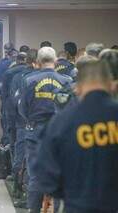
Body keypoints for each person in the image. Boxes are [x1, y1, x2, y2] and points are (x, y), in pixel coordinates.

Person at [34, 56, 118, 213]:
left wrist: (70, 195)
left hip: (77, 206)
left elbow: (45, 176)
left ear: (77, 88)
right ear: (111, 85)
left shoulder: (61, 122)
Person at [19, 47, 72, 213]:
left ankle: (33, 210)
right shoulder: (67, 81)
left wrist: (32, 119)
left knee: (35, 175)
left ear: (38, 62)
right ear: (55, 61)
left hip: (35, 130)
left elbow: (22, 108)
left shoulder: (28, 80)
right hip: (60, 132)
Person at [7, 49, 38, 207]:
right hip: (38, 124)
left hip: (21, 122)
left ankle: (18, 188)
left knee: (21, 155)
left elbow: (15, 100)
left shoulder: (18, 77)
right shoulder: (38, 78)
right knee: (32, 160)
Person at [0, 43, 17, 144]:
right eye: (6, 49)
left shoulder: (15, 63)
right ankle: (3, 140)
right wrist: (0, 80)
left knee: (5, 116)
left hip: (9, 94)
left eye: (8, 50)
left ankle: (6, 141)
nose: (7, 51)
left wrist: (1, 80)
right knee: (3, 116)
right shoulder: (0, 63)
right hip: (3, 93)